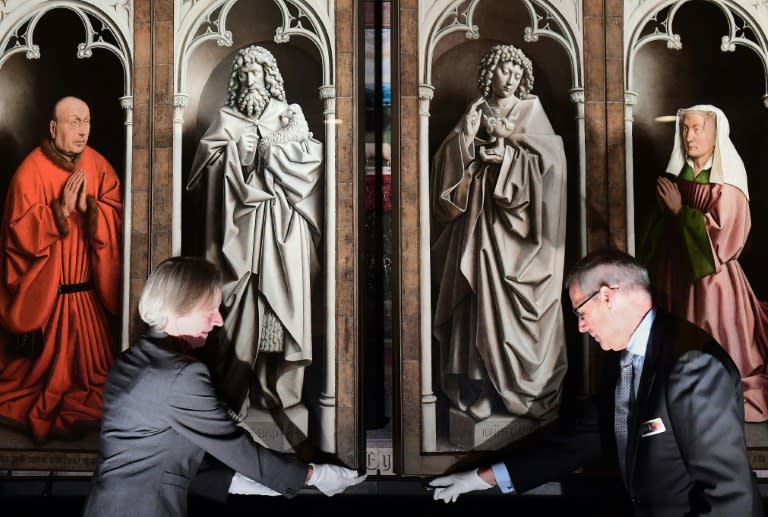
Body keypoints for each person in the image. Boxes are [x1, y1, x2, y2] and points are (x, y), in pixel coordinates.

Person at [428, 249, 762, 515]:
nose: (581, 328)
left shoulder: (692, 366)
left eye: (581, 313)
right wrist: (478, 479)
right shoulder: (625, 360)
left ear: (607, 296)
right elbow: (579, 440)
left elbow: (729, 496)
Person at [82, 257, 366, 517]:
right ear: (180, 306)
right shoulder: (181, 374)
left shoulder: (134, 359)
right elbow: (233, 445)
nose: (218, 320)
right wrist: (313, 476)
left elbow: (154, 456)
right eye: (210, 310)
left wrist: (242, 482)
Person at [431, 43, 567, 421]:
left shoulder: (531, 111)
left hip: (516, 236)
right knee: (475, 300)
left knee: (502, 304)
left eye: (517, 71)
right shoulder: (475, 111)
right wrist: (468, 143)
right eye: (503, 69)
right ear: (489, 73)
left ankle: (513, 389)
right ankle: (480, 386)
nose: (510, 77)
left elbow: (552, 167)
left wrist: (506, 155)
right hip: (477, 222)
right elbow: (445, 163)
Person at [186, 44, 323, 419]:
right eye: (243, 73)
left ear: (269, 77)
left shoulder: (287, 117)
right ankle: (235, 393)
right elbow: (199, 181)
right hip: (239, 237)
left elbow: (312, 162)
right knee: (240, 309)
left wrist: (269, 154)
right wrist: (237, 155)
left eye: (256, 73)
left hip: (282, 231)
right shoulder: (226, 120)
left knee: (279, 311)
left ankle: (273, 391)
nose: (250, 79)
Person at [0, 96, 122, 442]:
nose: (82, 130)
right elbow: (17, 234)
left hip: (86, 298)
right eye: (73, 122)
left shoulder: (98, 166)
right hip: (47, 302)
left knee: (96, 381)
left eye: (86, 121)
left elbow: (118, 217)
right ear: (54, 128)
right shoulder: (30, 170)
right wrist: (60, 212)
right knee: (32, 386)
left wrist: (91, 210)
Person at [638, 104, 768, 422]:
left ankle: (711, 396)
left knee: (712, 332)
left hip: (711, 279)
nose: (689, 136)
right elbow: (658, 228)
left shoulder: (729, 182)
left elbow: (727, 237)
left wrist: (680, 212)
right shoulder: (679, 175)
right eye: (685, 128)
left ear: (715, 134)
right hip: (675, 274)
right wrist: (665, 214)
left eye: (697, 129)